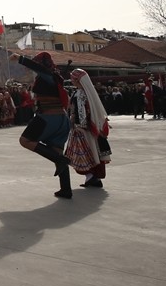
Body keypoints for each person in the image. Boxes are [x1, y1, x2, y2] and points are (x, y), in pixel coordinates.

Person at [10, 51, 73, 199]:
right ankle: (66, 189)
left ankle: (60, 161)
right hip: (62, 120)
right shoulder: (54, 76)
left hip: (48, 117)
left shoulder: (49, 75)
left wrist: (21, 59)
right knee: (56, 151)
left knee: (25, 140)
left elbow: (40, 69)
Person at [66, 68, 112, 189]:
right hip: (87, 127)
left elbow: (81, 111)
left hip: (83, 128)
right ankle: (92, 178)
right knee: (93, 152)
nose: (71, 80)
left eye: (73, 78)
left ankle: (92, 177)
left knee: (87, 153)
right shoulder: (85, 92)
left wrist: (79, 125)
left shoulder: (81, 93)